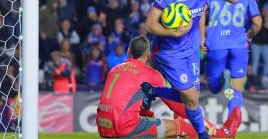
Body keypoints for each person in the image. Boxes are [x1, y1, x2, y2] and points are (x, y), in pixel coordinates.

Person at [144, 0, 237, 139]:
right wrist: (175, 33)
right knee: (192, 98)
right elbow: (150, 25)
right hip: (169, 53)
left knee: (189, 99)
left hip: (191, 52)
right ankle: (203, 135)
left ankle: (152, 91)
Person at [96, 35, 241, 138]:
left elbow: (120, 100)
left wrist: (145, 113)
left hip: (103, 126)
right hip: (125, 128)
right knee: (181, 127)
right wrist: (206, 125)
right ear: (149, 55)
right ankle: (223, 135)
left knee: (152, 122)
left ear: (128, 52)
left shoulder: (115, 69)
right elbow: (178, 107)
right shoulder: (151, 74)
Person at [199, 0, 262, 116]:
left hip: (216, 44)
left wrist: (201, 37)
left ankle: (222, 78)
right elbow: (257, 22)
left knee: (214, 89)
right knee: (237, 89)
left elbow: (200, 13)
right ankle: (230, 129)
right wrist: (249, 36)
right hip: (239, 46)